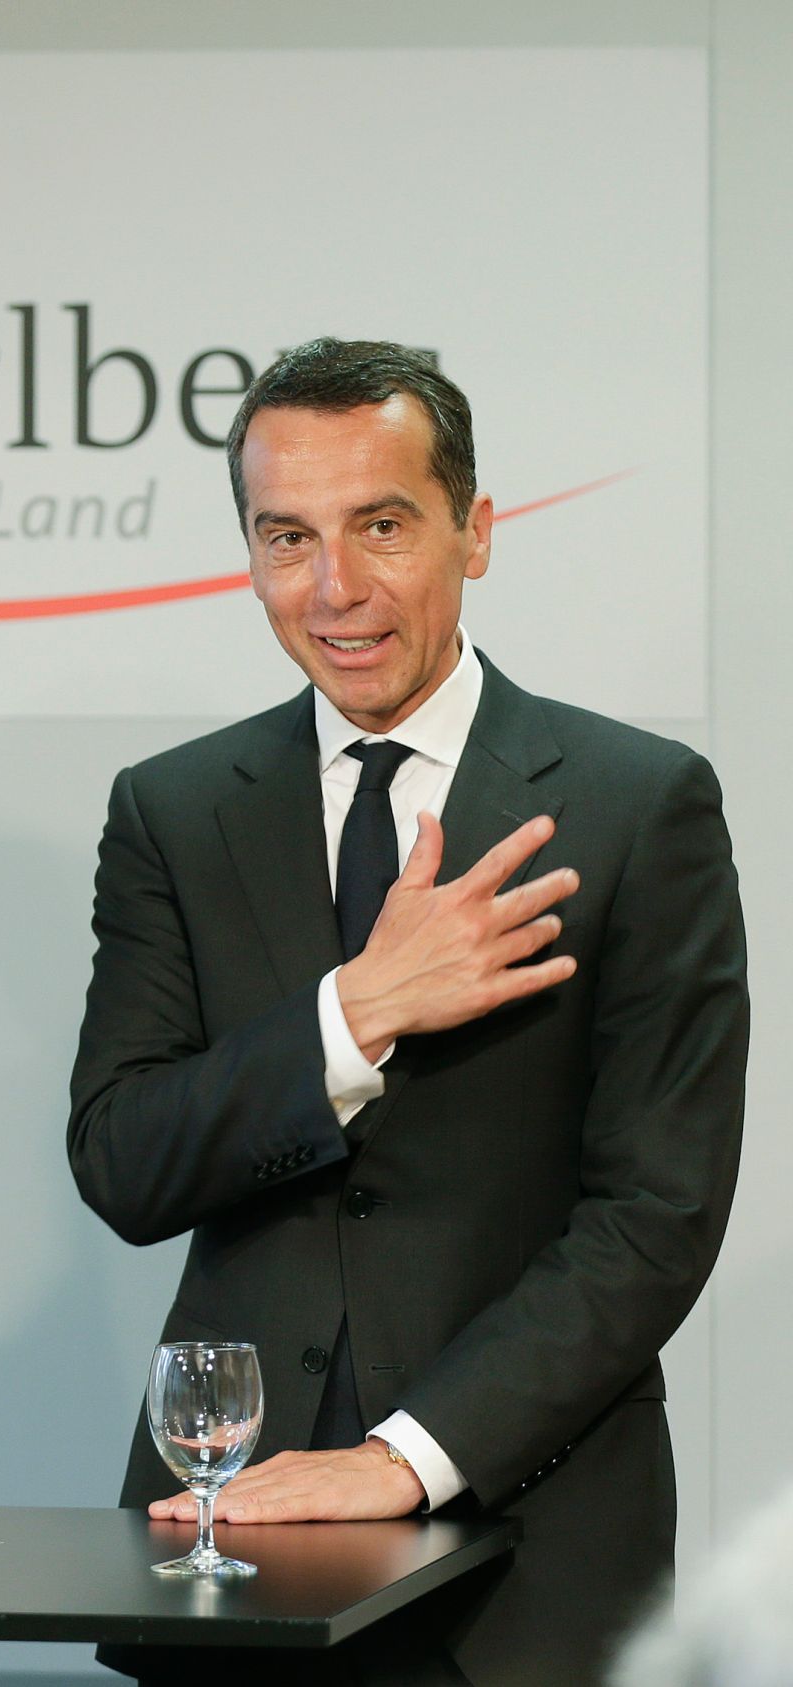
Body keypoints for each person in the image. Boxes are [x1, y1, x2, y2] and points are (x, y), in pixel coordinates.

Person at [67, 339, 746, 1686]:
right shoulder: (175, 811)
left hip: (534, 1557)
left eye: (381, 526)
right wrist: (352, 1016)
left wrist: (405, 1459)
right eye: (288, 538)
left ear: (475, 531)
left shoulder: (637, 803)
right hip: (231, 1550)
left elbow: (657, 1213)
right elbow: (125, 1161)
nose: (336, 588)